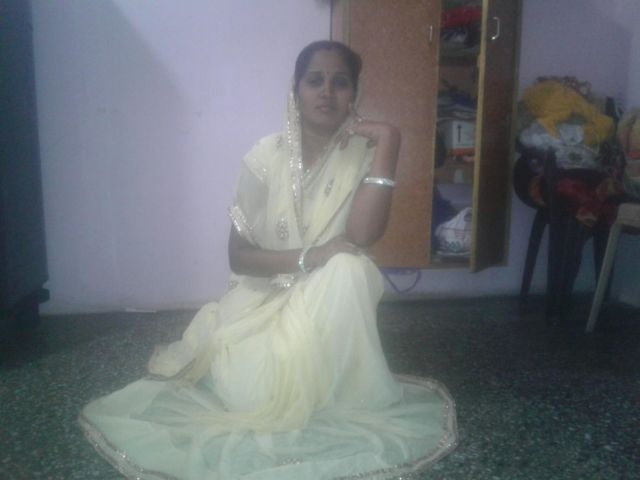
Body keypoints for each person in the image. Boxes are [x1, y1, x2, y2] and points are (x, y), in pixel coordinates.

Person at [80, 40, 457, 480]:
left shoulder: (365, 155)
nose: (326, 92)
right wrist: (312, 255)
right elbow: (238, 257)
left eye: (340, 82)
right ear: (296, 89)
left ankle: (323, 379)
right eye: (314, 80)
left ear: (354, 93)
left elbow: (362, 236)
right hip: (261, 301)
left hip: (327, 298)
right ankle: (298, 374)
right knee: (257, 398)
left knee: (352, 267)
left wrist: (390, 141)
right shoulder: (264, 158)